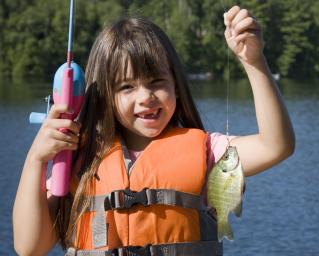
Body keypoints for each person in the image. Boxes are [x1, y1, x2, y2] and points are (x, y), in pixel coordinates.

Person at [13, 5, 295, 255]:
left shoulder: (209, 151)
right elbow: (29, 247)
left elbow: (276, 146)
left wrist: (254, 62)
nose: (145, 96)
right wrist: (35, 160)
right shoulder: (80, 159)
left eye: (157, 81)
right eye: (127, 87)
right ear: (104, 96)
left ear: (176, 84)